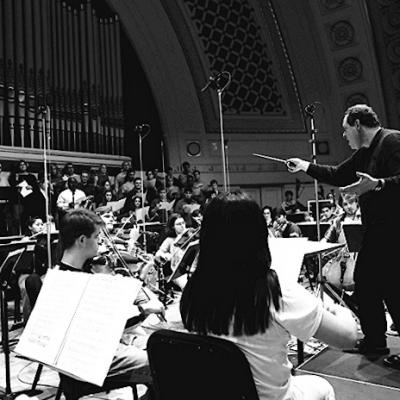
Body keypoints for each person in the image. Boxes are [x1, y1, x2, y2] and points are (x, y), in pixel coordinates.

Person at [180, 192, 357, 400]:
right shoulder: (274, 289)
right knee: (322, 387)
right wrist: (339, 309)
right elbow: (348, 338)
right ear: (258, 234)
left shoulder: (193, 291)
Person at [286, 104, 400, 365]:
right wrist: (305, 166)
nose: (344, 135)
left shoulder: (393, 141)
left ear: (358, 124)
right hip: (377, 231)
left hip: (395, 231)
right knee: (366, 282)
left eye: (346, 129)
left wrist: (379, 184)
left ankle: (377, 340)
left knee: (393, 289)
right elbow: (338, 175)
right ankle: (375, 341)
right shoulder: (363, 154)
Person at [28, 209, 164, 396]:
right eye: (97, 236)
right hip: (89, 363)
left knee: (162, 352)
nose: (101, 242)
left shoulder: (71, 272)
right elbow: (107, 330)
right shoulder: (72, 283)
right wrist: (144, 309)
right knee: (165, 365)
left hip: (98, 353)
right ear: (82, 240)